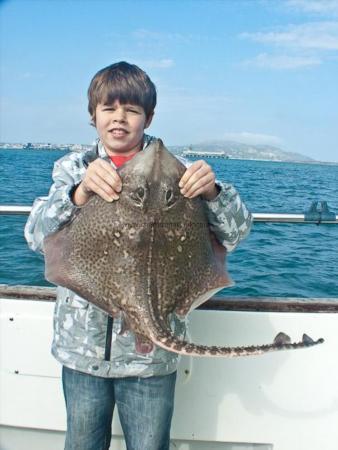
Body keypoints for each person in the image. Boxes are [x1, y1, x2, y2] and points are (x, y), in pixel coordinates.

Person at [25, 61, 252, 450]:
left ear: (148, 116)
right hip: (82, 350)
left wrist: (213, 193)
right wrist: (76, 194)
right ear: (92, 114)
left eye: (131, 110)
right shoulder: (73, 168)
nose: (119, 119)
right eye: (109, 109)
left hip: (151, 357)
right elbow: (36, 237)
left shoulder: (180, 174)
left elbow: (235, 233)